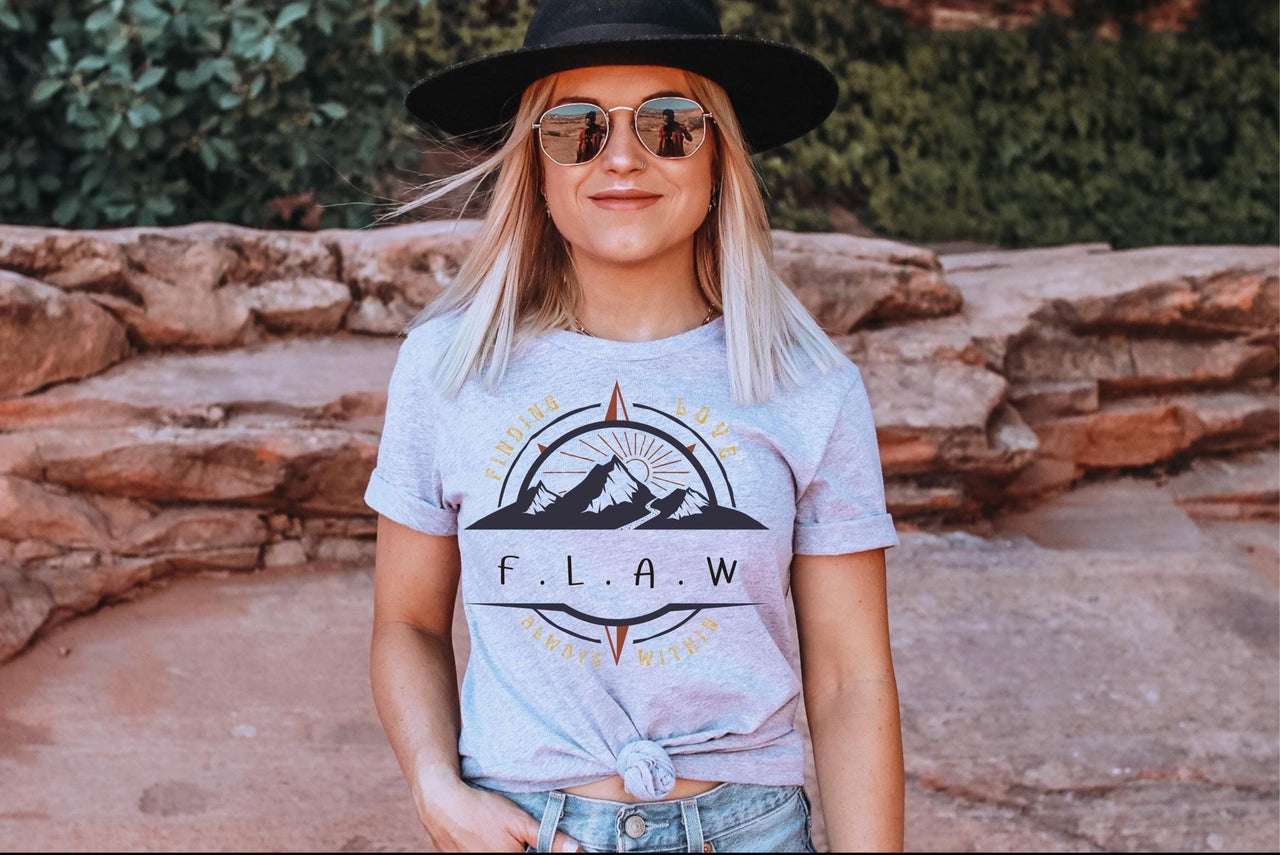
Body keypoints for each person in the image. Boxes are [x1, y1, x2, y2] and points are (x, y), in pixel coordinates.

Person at [365, 0, 905, 852]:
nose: (622, 156)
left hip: (750, 829)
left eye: (670, 125)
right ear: (534, 167)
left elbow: (850, 679)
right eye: (575, 127)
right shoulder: (447, 370)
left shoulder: (810, 387)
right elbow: (408, 623)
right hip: (522, 828)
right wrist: (437, 788)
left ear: (720, 154)